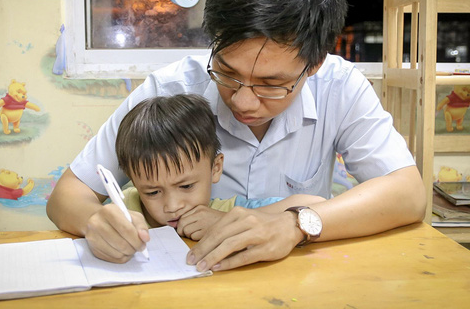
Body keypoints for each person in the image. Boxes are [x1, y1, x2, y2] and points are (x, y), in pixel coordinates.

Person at [47, 0, 426, 272]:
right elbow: (67, 196)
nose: (244, 102)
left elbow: (407, 194)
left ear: (314, 65)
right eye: (227, 73)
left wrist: (295, 224)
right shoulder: (168, 90)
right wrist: (97, 221)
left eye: (272, 85)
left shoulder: (340, 87)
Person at [105, 94, 324, 262]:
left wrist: (224, 221)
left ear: (215, 168)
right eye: (152, 192)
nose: (172, 206)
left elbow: (316, 204)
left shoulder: (228, 210)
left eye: (187, 186)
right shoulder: (125, 207)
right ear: (133, 179)